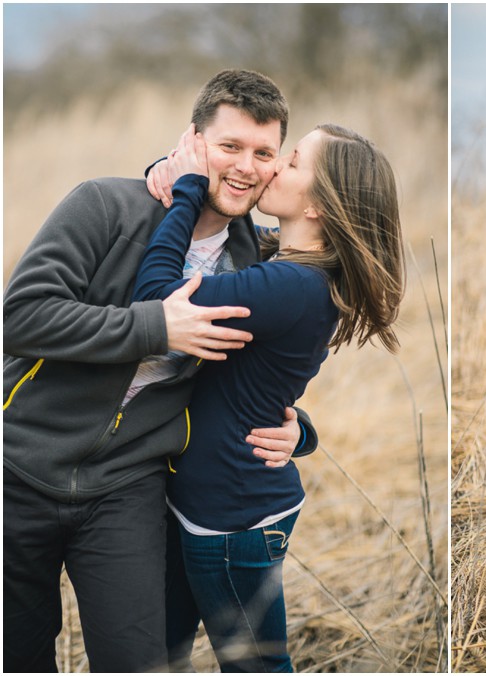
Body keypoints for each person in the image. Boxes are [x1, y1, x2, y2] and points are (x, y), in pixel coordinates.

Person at [3, 70, 311, 673]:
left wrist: (301, 428)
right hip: (19, 467)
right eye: (229, 147)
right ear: (192, 143)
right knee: (20, 656)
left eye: (263, 153)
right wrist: (154, 328)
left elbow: (254, 376)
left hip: (128, 486)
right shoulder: (104, 204)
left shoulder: (256, 258)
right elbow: (21, 315)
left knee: (139, 662)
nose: (245, 167)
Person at [135, 122, 405, 671]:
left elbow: (160, 302)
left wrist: (187, 190)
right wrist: (164, 174)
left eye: (294, 161)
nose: (274, 165)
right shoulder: (280, 262)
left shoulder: (293, 286)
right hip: (207, 500)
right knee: (160, 655)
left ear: (319, 207)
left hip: (233, 519)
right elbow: (257, 385)